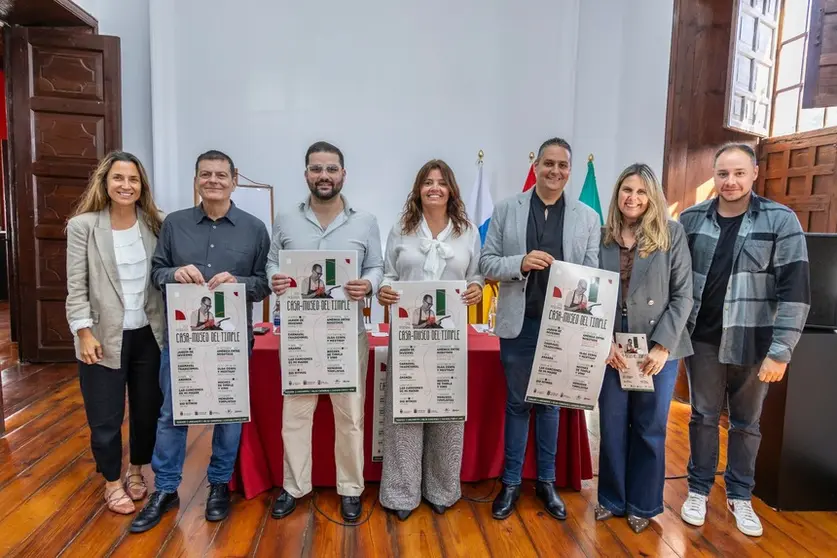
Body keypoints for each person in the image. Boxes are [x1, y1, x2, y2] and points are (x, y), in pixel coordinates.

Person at [129, 150, 271, 533]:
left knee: (228, 414)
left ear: (234, 179)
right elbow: (157, 274)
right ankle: (167, 488)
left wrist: (237, 283)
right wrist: (176, 273)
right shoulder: (174, 225)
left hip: (231, 341)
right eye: (205, 174)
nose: (213, 181)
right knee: (172, 413)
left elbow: (263, 284)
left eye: (221, 175)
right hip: (182, 340)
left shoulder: (255, 228)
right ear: (196, 180)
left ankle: (219, 483)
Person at [679, 143, 810, 537]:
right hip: (701, 341)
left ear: (754, 173)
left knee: (746, 424)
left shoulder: (781, 220)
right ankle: (698, 489)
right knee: (702, 417)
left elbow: (796, 292)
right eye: (722, 174)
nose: (730, 182)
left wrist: (781, 351)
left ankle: (740, 495)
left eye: (738, 173)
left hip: (755, 344)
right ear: (714, 176)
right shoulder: (689, 219)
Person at [479, 137, 600, 521]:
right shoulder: (506, 209)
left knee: (550, 405)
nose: (555, 171)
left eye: (563, 165)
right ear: (537, 166)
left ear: (570, 169)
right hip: (520, 324)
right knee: (518, 404)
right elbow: (487, 263)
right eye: (548, 163)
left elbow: (594, 275)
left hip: (563, 328)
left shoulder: (587, 217)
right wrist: (521, 262)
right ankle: (511, 482)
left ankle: (546, 482)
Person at [267, 141, 384, 522]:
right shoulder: (285, 218)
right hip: (300, 335)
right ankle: (293, 487)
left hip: (347, 335)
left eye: (331, 169)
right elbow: (271, 263)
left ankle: (350, 488)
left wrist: (367, 284)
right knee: (296, 414)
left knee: (349, 415)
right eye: (316, 169)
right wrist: (277, 280)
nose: (324, 176)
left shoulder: (365, 221)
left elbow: (377, 267)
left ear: (343, 175)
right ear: (306, 174)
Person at [376, 159, 483, 520]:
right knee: (403, 411)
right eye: (427, 182)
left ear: (451, 189)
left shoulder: (466, 230)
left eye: (441, 182)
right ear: (418, 189)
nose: (434, 188)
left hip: (450, 339)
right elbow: (387, 275)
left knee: (446, 413)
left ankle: (442, 488)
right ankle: (401, 493)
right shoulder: (401, 227)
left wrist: (476, 291)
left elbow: (477, 276)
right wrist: (385, 291)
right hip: (407, 336)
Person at [65, 151, 166, 515]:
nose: (126, 185)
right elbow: (76, 286)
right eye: (119, 178)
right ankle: (111, 481)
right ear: (105, 183)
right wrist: (83, 332)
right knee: (105, 416)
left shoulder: (156, 224)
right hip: (102, 337)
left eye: (133, 179)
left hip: (149, 337)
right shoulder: (83, 226)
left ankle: (136, 471)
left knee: (146, 410)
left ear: (142, 187)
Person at [595, 163, 693, 533]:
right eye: (626, 190)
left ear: (652, 197)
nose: (632, 198)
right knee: (614, 423)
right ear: (617, 194)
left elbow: (684, 296)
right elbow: (588, 292)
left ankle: (643, 503)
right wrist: (602, 339)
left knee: (650, 427)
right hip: (612, 347)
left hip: (657, 349)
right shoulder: (602, 237)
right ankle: (612, 499)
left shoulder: (672, 234)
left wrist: (663, 346)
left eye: (640, 191)